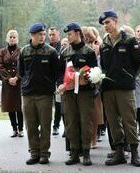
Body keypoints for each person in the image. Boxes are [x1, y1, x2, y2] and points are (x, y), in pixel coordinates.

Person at [99, 11, 140, 167]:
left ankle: (135, 153)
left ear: (116, 21)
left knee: (129, 120)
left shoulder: (130, 40)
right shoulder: (103, 43)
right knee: (113, 121)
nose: (105, 26)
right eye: (103, 24)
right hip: (109, 88)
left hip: (125, 88)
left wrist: (130, 77)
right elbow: (103, 66)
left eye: (107, 22)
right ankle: (119, 152)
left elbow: (138, 63)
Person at [18, 23, 59, 165]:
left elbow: (56, 73)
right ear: (32, 35)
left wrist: (49, 85)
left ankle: (44, 154)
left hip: (45, 94)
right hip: (28, 93)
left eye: (43, 34)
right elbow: (21, 72)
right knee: (30, 125)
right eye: (39, 34)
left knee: (45, 125)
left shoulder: (51, 52)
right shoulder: (24, 51)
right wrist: (25, 84)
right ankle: (34, 153)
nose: (42, 37)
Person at [58, 22, 97, 166]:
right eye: (66, 35)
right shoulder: (64, 52)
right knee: (71, 122)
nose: (67, 37)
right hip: (68, 93)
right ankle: (74, 152)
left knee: (85, 121)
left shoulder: (89, 51)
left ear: (78, 33)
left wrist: (86, 80)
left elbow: (95, 73)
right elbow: (59, 73)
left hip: (85, 93)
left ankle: (86, 152)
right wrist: (61, 84)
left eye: (69, 34)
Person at [0, 30, 23, 138]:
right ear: (7, 39)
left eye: (14, 37)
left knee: (19, 106)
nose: (12, 39)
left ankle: (21, 129)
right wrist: (9, 78)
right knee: (10, 106)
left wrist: (17, 77)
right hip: (7, 82)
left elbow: (23, 66)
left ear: (17, 38)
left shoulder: (21, 51)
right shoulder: (3, 51)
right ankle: (14, 129)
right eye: (10, 37)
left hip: (19, 81)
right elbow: (0, 65)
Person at [48, 27, 63, 136]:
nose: (51, 36)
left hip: (58, 80)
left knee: (59, 105)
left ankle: (56, 126)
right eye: (50, 34)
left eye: (53, 34)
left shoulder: (62, 47)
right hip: (48, 81)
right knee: (47, 105)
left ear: (58, 34)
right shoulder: (47, 47)